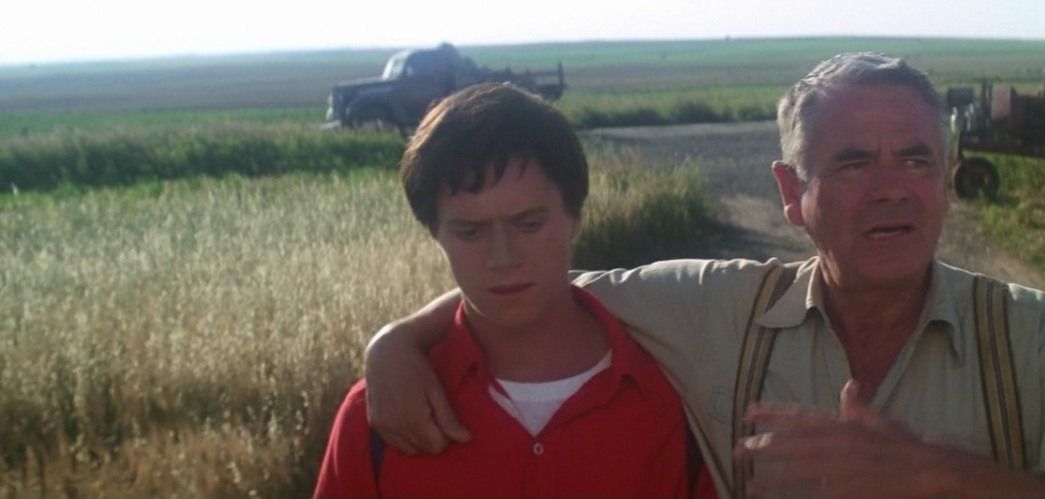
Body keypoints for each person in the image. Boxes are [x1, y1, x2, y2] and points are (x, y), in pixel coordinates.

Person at [363, 53, 1045, 498]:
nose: (891, 189)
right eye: (853, 163)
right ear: (790, 192)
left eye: (917, 160)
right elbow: (532, 281)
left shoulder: (1027, 333)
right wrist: (395, 342)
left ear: (947, 180)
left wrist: (937, 473)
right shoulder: (717, 309)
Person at [314, 83, 714, 498]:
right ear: (434, 233)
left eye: (528, 225)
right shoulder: (381, 416)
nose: (503, 258)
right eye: (470, 232)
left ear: (575, 217)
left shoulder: (683, 401)